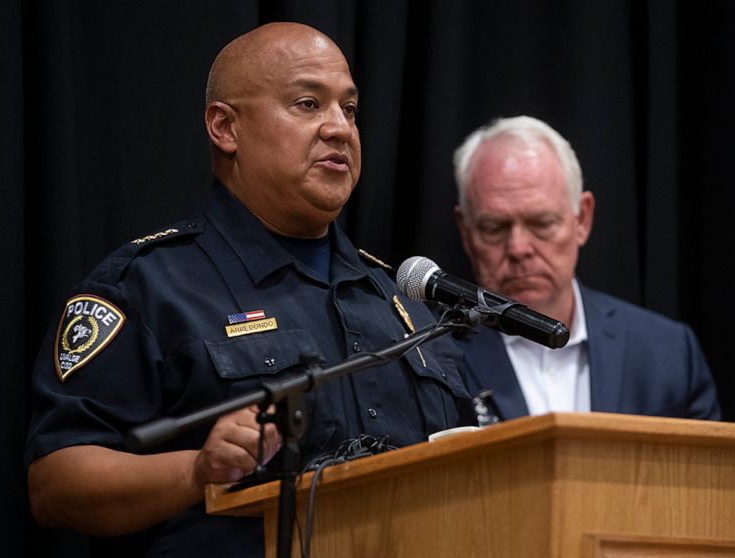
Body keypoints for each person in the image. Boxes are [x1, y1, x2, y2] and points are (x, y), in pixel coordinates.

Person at [25, 22, 470, 557]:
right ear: (225, 127)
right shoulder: (147, 287)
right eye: (308, 104)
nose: (339, 129)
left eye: (349, 109)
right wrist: (196, 471)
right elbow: (56, 483)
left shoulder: (400, 301)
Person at [452, 116, 720, 421]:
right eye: (494, 228)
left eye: (542, 224)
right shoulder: (430, 355)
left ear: (582, 219)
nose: (518, 248)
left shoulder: (667, 353)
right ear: (466, 231)